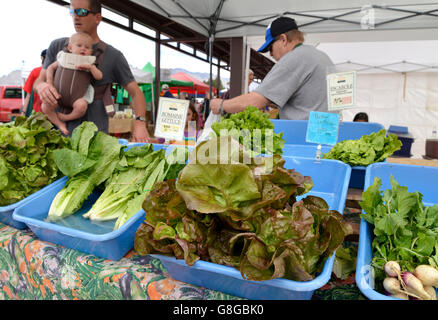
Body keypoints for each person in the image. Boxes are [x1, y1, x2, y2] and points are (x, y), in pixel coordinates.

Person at [34, 0, 150, 142]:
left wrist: (140, 124)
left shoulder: (113, 56)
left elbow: (135, 92)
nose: (76, 17)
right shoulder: (57, 46)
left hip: (94, 140)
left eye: (82, 12)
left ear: (98, 18)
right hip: (56, 136)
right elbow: (39, 80)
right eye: (72, 12)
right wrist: (42, 86)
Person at [210, 16, 334, 120]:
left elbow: (256, 101)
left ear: (283, 39)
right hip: (326, 135)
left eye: (270, 48)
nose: (270, 54)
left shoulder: (293, 59)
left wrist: (221, 104)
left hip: (303, 139)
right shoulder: (321, 56)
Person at [42, 32, 102, 135]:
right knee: (45, 106)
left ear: (91, 51)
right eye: (79, 46)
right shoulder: (63, 57)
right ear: (70, 48)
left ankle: (67, 117)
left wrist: (91, 68)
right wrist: (49, 83)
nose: (83, 49)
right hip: (57, 95)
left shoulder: (89, 63)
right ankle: (60, 124)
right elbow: (50, 68)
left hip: (77, 98)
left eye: (87, 47)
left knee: (82, 106)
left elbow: (99, 76)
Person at [22, 49, 47, 116]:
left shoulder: (35, 72)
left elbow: (28, 95)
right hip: (54, 113)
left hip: (37, 113)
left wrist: (24, 112)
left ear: (42, 58)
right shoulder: (58, 71)